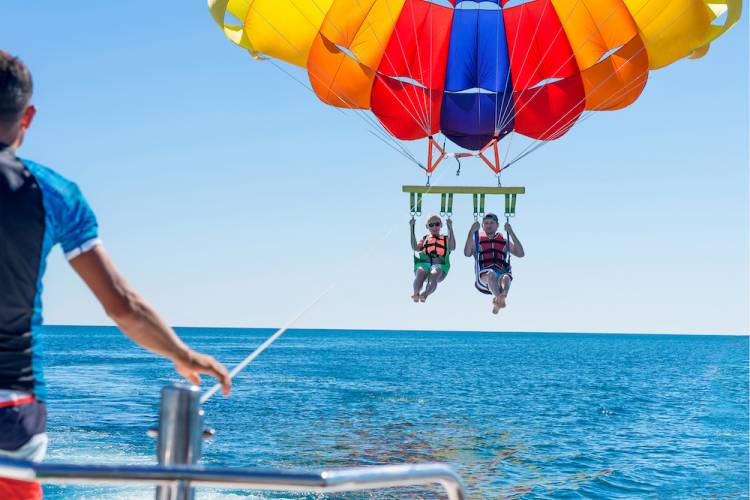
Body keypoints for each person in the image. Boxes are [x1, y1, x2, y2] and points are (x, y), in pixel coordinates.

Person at [0, 50, 231, 499]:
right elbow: (122, 304)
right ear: (27, 116)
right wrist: (180, 353)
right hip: (13, 411)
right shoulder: (53, 192)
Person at [464, 213, 525, 314]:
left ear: (497, 225)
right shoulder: (477, 241)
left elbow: (521, 253)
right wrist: (471, 232)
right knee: (491, 273)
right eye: (486, 223)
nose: (489, 225)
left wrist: (511, 232)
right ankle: (499, 298)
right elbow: (467, 253)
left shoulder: (504, 242)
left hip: (501, 274)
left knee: (506, 277)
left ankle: (501, 298)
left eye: (492, 223)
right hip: (484, 277)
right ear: (482, 226)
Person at [410, 214, 456, 302]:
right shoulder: (425, 238)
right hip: (424, 264)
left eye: (437, 224)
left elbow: (453, 247)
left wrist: (450, 227)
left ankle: (425, 294)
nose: (434, 227)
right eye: (431, 225)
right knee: (420, 272)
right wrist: (411, 228)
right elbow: (415, 248)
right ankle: (416, 293)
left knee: (433, 274)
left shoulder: (446, 239)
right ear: (427, 226)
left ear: (441, 225)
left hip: (439, 266)